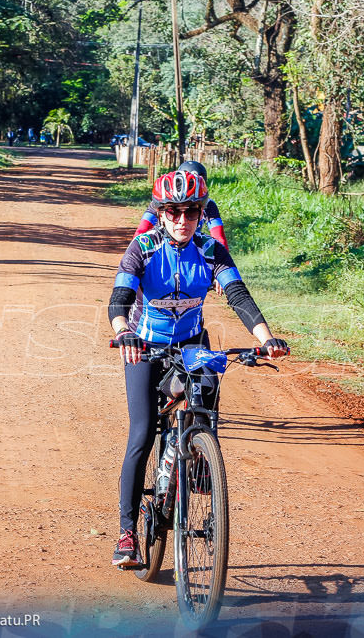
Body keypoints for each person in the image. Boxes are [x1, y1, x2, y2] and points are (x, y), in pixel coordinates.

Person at [108, 169, 288, 568]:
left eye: (191, 212)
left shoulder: (210, 250)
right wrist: (123, 332)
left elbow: (238, 294)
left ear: (200, 213)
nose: (182, 221)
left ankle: (200, 458)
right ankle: (126, 532)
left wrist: (265, 338)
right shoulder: (143, 246)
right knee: (142, 432)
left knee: (207, 385)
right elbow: (119, 298)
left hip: (191, 343)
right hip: (146, 346)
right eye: (173, 212)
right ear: (161, 212)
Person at [135, 161, 227, 250]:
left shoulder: (209, 204)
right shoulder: (162, 202)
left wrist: (223, 259)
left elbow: (218, 237)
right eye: (174, 211)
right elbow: (141, 231)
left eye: (192, 210)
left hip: (191, 247)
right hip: (163, 245)